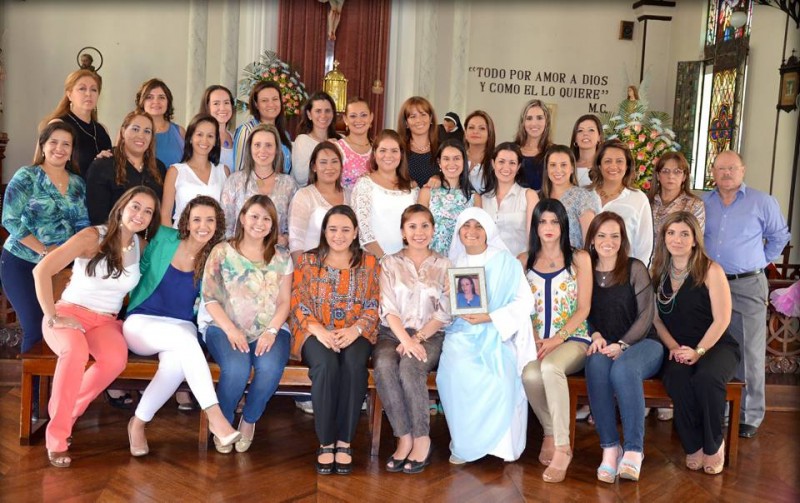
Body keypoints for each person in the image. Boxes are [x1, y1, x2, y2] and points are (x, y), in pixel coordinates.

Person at [31, 186, 160, 468]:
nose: (140, 215)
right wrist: (52, 316)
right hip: (68, 313)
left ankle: (67, 411)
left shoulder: (142, 246)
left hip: (105, 321)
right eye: (136, 206)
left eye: (148, 211)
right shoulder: (93, 236)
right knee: (75, 353)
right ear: (122, 207)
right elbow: (41, 270)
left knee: (116, 359)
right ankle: (57, 436)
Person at [123, 197, 241, 455]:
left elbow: (216, 296)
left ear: (218, 224)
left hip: (183, 325)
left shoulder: (216, 255)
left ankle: (138, 424)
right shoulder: (164, 237)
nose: (203, 225)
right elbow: (136, 265)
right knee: (184, 341)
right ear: (186, 221)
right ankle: (216, 418)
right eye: (197, 219)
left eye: (210, 220)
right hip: (142, 321)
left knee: (176, 364)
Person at [438, 207, 536, 465]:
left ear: (488, 231)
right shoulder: (452, 263)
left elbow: (525, 301)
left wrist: (490, 317)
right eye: (466, 226)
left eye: (478, 226)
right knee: (454, 371)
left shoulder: (506, 262)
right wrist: (445, 295)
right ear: (458, 231)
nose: (471, 232)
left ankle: (500, 447)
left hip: (497, 333)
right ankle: (465, 443)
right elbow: (441, 309)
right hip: (460, 334)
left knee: (500, 372)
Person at [703, 150, 790, 439]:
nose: (726, 173)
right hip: (709, 284)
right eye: (720, 168)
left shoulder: (762, 202)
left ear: (743, 170)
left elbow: (780, 236)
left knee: (750, 351)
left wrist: (756, 261)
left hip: (747, 284)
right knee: (714, 346)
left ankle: (750, 414)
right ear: (712, 172)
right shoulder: (703, 202)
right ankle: (721, 408)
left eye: (732, 168)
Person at [290, 205, 380, 475]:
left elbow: (375, 302)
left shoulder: (370, 262)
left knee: (354, 366)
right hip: (315, 330)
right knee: (326, 366)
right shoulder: (307, 261)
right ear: (324, 232)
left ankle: (345, 441)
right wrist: (318, 330)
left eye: (345, 229)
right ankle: (326, 441)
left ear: (355, 233)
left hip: (357, 331)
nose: (338, 235)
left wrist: (355, 330)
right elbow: (297, 300)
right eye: (332, 229)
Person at [652, 211, 742, 474]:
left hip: (716, 345)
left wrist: (699, 351)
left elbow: (722, 319)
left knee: (706, 378)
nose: (676, 239)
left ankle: (713, 444)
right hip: (677, 347)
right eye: (671, 233)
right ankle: (693, 445)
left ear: (694, 239)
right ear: (664, 237)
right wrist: (673, 348)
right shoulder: (657, 270)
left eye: (684, 234)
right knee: (676, 379)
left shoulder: (711, 269)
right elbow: (656, 321)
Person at [202, 195, 293, 453]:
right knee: (236, 368)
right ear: (242, 218)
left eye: (267, 219)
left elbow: (284, 302)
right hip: (224, 326)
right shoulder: (221, 251)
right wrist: (231, 330)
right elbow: (209, 298)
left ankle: (249, 419)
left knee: (269, 367)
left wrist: (272, 330)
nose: (259, 223)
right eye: (254, 216)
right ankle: (224, 421)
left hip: (271, 327)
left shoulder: (282, 256)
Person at [583, 212, 662, 483]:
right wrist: (594, 334)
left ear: (622, 239)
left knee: (623, 371)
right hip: (605, 345)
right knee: (594, 365)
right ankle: (609, 448)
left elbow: (646, 315)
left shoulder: (634, 267)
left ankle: (634, 450)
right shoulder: (585, 270)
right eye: (602, 235)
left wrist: (623, 344)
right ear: (592, 240)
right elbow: (582, 310)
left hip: (644, 343)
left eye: (615, 236)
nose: (608, 241)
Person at [1, 122, 89, 357]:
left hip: (60, 267)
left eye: (66, 144)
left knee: (58, 327)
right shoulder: (27, 176)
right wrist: (44, 250)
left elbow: (82, 226)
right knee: (35, 324)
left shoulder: (78, 184)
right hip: (20, 262)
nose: (59, 148)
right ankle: (35, 392)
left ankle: (54, 389)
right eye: (53, 142)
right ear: (42, 145)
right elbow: (9, 219)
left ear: (72, 150)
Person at [374, 204, 451, 474]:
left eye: (425, 226)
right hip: (391, 332)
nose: (419, 232)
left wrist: (416, 338)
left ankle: (422, 438)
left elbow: (445, 311)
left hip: (431, 333)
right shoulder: (390, 262)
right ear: (403, 232)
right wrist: (405, 340)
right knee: (384, 364)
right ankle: (403, 436)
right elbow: (387, 307)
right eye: (412, 227)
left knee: (410, 366)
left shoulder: (444, 264)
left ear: (433, 230)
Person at [521, 198, 592, 483]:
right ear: (535, 227)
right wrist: (536, 336)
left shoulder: (579, 259)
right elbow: (520, 306)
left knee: (550, 368)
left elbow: (584, 307)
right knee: (529, 375)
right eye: (542, 221)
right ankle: (550, 431)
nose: (548, 227)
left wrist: (557, 338)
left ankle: (563, 447)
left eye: (554, 221)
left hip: (574, 339)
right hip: (538, 341)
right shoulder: (523, 261)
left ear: (563, 225)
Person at [220, 124, 298, 244]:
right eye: (257, 145)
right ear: (249, 148)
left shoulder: (289, 185)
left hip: (275, 256)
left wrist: (285, 239)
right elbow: (225, 225)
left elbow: (294, 228)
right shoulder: (235, 181)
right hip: (239, 256)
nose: (263, 150)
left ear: (277, 149)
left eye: (268, 145)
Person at [86, 111, 166, 225]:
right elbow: (98, 217)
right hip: (112, 237)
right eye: (135, 129)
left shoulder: (159, 168)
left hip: (150, 239)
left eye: (147, 131)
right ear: (123, 132)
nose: (141, 135)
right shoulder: (103, 166)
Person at [351, 129, 419, 259]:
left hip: (406, 262)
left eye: (394, 151)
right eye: (383, 150)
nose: (388, 155)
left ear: (401, 154)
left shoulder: (412, 187)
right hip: (373, 260)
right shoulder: (364, 184)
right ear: (375, 154)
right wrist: (386, 261)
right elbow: (363, 231)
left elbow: (418, 227)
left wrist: (404, 263)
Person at [589, 139, 653, 265]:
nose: (613, 166)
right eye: (608, 161)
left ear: (627, 166)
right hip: (586, 270)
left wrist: (636, 276)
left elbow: (644, 247)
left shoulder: (638, 199)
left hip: (623, 274)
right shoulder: (584, 195)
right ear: (599, 165)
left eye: (619, 161)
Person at [38, 69, 112, 178]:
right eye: (82, 89)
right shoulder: (58, 124)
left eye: (94, 90)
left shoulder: (102, 129)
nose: (88, 94)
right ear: (69, 94)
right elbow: (41, 165)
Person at [160, 114, 229, 227]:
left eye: (210, 136)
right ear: (190, 138)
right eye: (199, 134)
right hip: (181, 239)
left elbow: (226, 214)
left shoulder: (223, 171)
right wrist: (174, 243)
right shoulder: (175, 171)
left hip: (214, 240)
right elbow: (165, 215)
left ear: (216, 141)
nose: (204, 140)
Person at [288, 141, 349, 262]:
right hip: (313, 270)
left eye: (334, 161)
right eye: (323, 162)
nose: (329, 167)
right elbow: (296, 242)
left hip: (346, 269)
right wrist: (303, 272)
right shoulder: (304, 196)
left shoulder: (351, 195)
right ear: (314, 167)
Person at [418, 139, 481, 255]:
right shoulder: (427, 192)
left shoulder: (474, 197)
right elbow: (419, 230)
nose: (451, 163)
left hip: (462, 260)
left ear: (463, 161)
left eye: (456, 158)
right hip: (432, 259)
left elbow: (478, 235)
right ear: (439, 162)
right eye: (446, 159)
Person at [481, 142, 539, 256]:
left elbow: (534, 237)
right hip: (488, 265)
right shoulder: (483, 199)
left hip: (519, 265)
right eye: (501, 162)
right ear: (493, 164)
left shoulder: (529, 195)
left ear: (518, 167)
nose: (506, 167)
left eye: (512, 163)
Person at [540, 145, 599, 249]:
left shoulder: (583, 197)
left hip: (573, 261)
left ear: (572, 168)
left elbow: (589, 241)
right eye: (553, 165)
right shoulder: (538, 197)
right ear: (547, 168)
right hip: (542, 262)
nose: (558, 170)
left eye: (563, 165)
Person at [232, 80, 292, 174]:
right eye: (264, 100)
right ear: (256, 104)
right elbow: (239, 171)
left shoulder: (285, 134)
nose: (271, 104)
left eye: (275, 99)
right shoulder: (247, 130)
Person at [649, 152, 705, 245]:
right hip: (646, 258)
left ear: (684, 177)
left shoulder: (694, 204)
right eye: (665, 171)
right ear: (658, 176)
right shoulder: (647, 202)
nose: (671, 176)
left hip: (678, 258)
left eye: (677, 172)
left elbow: (695, 242)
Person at [292, 91, 341, 187]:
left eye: (327, 111)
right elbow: (301, 177)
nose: (323, 115)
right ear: (309, 114)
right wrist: (325, 148)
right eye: (318, 111)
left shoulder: (341, 140)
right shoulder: (302, 140)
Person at [134, 78, 185, 169]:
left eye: (161, 97)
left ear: (168, 102)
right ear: (142, 102)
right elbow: (118, 159)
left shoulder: (180, 132)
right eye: (149, 97)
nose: (156, 102)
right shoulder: (129, 130)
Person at [397, 96, 439, 187]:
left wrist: (440, 178)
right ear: (406, 123)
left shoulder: (442, 148)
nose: (419, 120)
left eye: (423, 114)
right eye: (413, 116)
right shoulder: (398, 149)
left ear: (431, 118)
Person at [514, 99, 553, 191]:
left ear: (546, 122)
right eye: (529, 118)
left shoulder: (554, 152)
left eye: (539, 118)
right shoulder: (512, 151)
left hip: (544, 204)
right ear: (523, 123)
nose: (534, 123)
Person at [336, 97, 373, 189]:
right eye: (353, 116)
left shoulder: (379, 148)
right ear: (345, 119)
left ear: (371, 117)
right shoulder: (337, 148)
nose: (358, 120)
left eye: (363, 115)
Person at [198, 85, 235, 171]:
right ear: (207, 107)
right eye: (216, 103)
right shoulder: (200, 138)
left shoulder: (233, 136)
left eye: (226, 103)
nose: (222, 108)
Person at [463, 110, 496, 194]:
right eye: (471, 127)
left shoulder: (497, 160)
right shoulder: (457, 157)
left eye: (482, 128)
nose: (475, 132)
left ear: (489, 134)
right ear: (465, 133)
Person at [569, 114, 604, 188]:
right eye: (580, 130)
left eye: (591, 130)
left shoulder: (605, 165)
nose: (585, 134)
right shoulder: (567, 164)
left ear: (599, 137)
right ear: (575, 138)